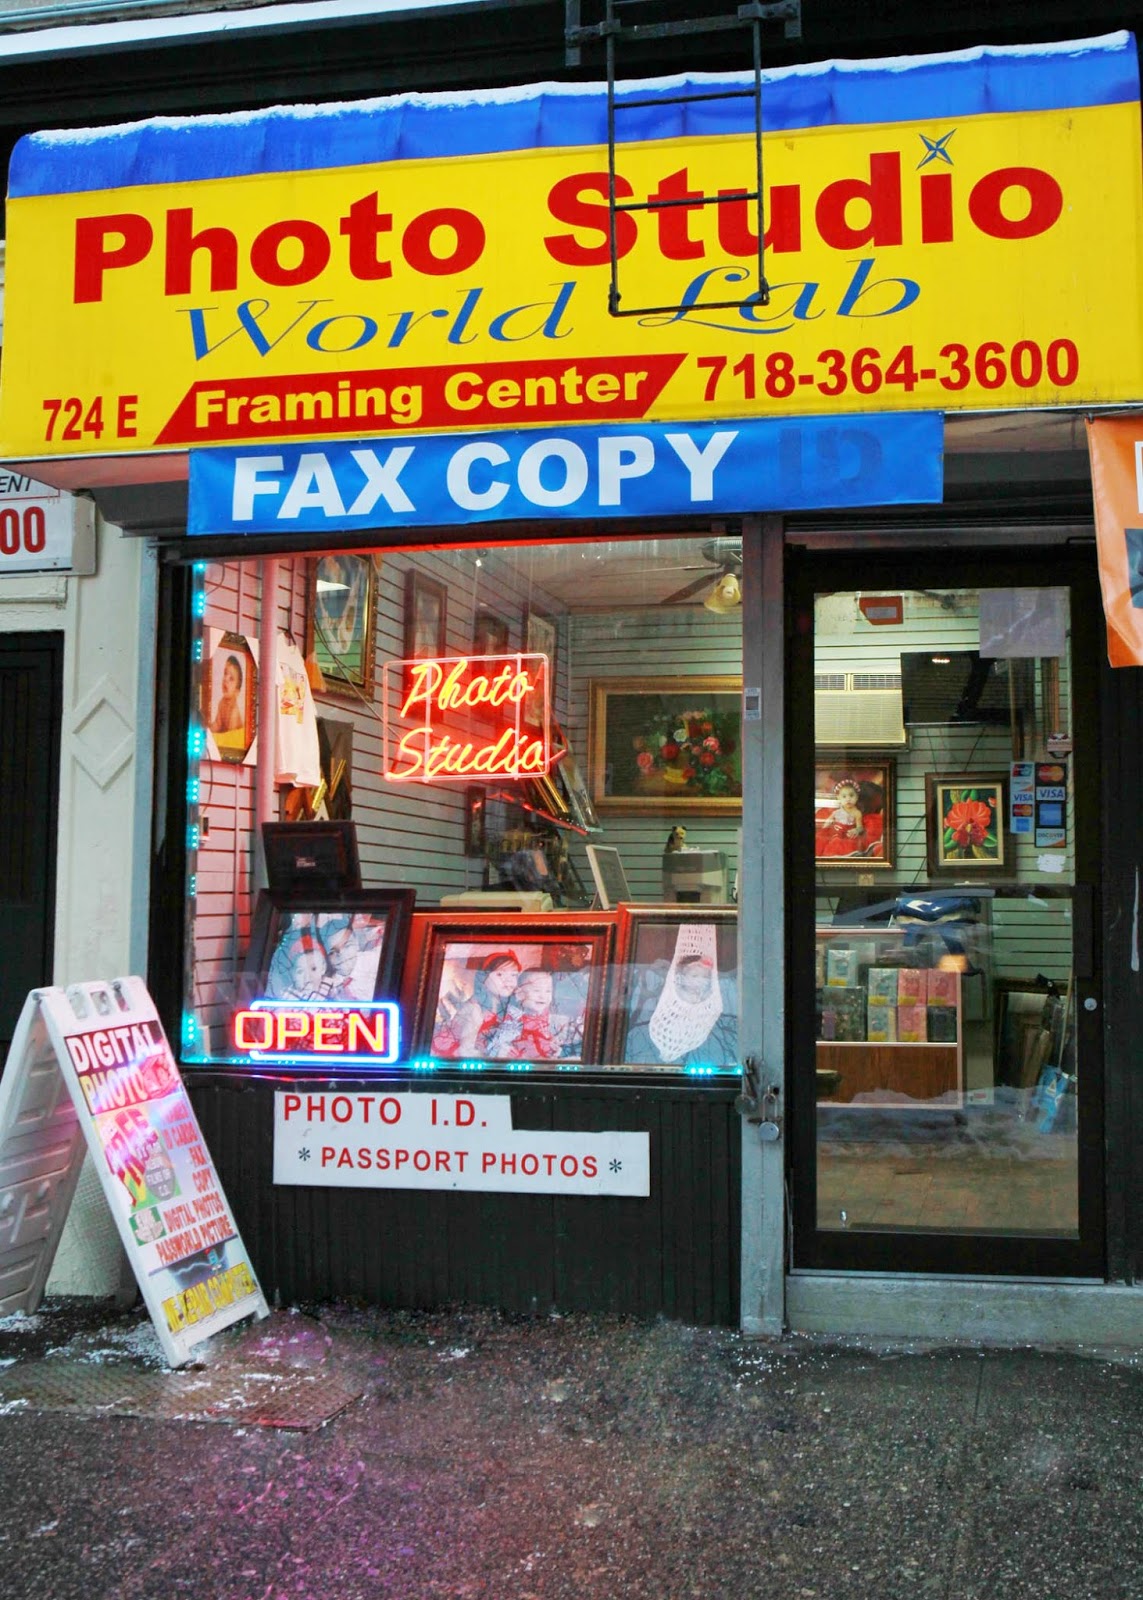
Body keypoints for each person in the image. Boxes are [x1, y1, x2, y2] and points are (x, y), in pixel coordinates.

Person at [624, 926, 738, 1068]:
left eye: (703, 977)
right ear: (684, 977)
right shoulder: (683, 992)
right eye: (695, 976)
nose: (700, 980)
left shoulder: (681, 991)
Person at [432, 951, 521, 1058]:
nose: (509, 980)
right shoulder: (474, 1009)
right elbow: (465, 1051)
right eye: (500, 974)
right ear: (483, 978)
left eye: (514, 975)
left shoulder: (502, 1009)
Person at [481, 967, 581, 1061]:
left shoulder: (549, 1018)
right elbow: (497, 1047)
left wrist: (556, 1049)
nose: (543, 996)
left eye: (548, 991)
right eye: (536, 990)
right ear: (520, 994)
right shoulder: (514, 1020)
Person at [211, 653, 245, 734]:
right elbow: (217, 724)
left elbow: (231, 734)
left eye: (231, 678)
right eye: (225, 673)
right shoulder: (221, 703)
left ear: (237, 692)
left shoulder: (234, 711)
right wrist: (209, 730)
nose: (226, 679)